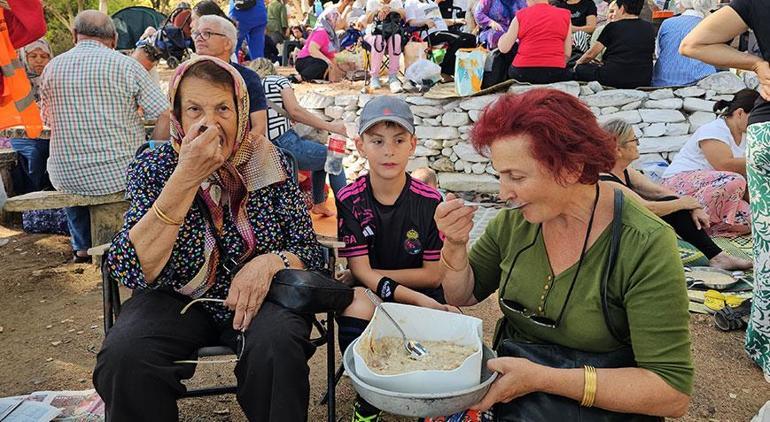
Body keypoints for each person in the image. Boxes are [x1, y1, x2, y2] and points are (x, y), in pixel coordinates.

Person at [435, 89, 692, 420]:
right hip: (519, 401)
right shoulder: (516, 221)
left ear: (571, 168)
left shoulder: (644, 243)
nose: (503, 193)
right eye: (500, 175)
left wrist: (544, 380)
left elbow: (671, 393)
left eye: (516, 176)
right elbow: (462, 293)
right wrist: (455, 245)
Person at [92, 56, 324, 422]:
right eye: (195, 109)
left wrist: (270, 263)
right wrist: (185, 176)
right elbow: (130, 268)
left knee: (278, 346)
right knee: (125, 356)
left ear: (241, 112)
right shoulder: (156, 168)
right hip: (173, 296)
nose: (209, 123)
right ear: (179, 117)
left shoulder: (271, 161)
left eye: (222, 109)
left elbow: (309, 251)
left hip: (261, 297)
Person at [335, 96, 457, 422]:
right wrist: (372, 278)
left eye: (398, 140)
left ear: (412, 144)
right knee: (353, 303)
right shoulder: (350, 199)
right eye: (377, 141)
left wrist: (371, 275)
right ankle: (368, 398)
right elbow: (361, 271)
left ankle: (428, 395)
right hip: (381, 295)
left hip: (421, 295)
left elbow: (433, 275)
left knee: (450, 316)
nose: (388, 150)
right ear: (361, 146)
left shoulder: (430, 201)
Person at [679, 0, 770, 385]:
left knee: (765, 244)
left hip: (768, 134)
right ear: (736, 114)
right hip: (692, 185)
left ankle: (764, 341)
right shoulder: (712, 133)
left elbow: (695, 43)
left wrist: (758, 64)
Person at [39, 10, 171, 263]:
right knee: (131, 173)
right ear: (113, 38)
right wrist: (153, 151)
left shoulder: (52, 67)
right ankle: (123, 242)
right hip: (119, 174)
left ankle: (81, 247)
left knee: (71, 175)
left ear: (75, 35)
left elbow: (47, 121)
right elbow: (165, 113)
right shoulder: (127, 65)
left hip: (67, 175)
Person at [600, 119, 752, 270]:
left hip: (634, 221)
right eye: (634, 140)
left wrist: (694, 206)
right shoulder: (605, 180)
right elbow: (646, 208)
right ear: (618, 150)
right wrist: (685, 203)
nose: (638, 144)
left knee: (674, 202)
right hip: (614, 235)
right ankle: (717, 257)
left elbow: (659, 191)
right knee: (677, 206)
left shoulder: (625, 171)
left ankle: (716, 255)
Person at [248, 58, 349, 217]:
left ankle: (319, 204)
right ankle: (348, 213)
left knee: (322, 158)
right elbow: (295, 111)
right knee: (333, 157)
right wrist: (332, 127)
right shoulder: (279, 81)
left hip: (261, 147)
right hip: (284, 143)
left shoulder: (249, 86)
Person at [661, 89, 759, 237]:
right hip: (679, 184)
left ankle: (709, 228)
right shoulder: (714, 129)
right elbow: (724, 165)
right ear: (740, 113)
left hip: (717, 190)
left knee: (754, 221)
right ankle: (691, 225)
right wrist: (761, 159)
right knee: (736, 180)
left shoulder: (746, 135)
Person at [193, 15, 268, 139]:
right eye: (197, 33)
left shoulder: (247, 78)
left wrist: (235, 153)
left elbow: (259, 127)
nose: (198, 38)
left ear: (227, 43)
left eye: (207, 33)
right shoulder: (186, 76)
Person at [573, 0, 655, 88]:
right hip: (643, 79)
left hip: (613, 78)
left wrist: (578, 64)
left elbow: (591, 54)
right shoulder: (649, 27)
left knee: (581, 68)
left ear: (622, 8)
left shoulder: (612, 26)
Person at [10, 39, 53, 195]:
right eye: (33, 56)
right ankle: (34, 195)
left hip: (50, 133)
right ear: (24, 57)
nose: (39, 60)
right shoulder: (15, 81)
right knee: (34, 154)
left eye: (44, 56)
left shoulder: (54, 78)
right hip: (22, 133)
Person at [497, 0, 572, 84]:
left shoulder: (521, 15)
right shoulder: (565, 15)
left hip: (522, 72)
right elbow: (567, 53)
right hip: (556, 72)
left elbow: (504, 48)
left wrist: (502, 37)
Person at [650, 0, 717, 87]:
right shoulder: (711, 25)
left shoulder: (667, 23)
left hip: (664, 83)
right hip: (700, 85)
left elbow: (658, 53)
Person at [405, 0, 477, 76]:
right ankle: (444, 70)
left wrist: (455, 21)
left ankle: (460, 70)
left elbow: (440, 20)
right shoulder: (410, 3)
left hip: (444, 31)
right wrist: (424, 22)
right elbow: (411, 22)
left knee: (471, 38)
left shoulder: (431, 2)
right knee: (459, 40)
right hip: (429, 33)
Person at [364, 0, 407, 92]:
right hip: (373, 34)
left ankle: (393, 77)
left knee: (396, 38)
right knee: (379, 40)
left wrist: (390, 9)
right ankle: (374, 77)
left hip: (392, 32)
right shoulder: (372, 2)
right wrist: (377, 10)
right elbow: (367, 20)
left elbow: (404, 16)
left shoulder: (396, 1)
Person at [294, 9, 344, 82]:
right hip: (305, 60)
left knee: (332, 67)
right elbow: (312, 49)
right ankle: (299, 78)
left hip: (315, 61)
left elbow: (332, 57)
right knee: (323, 64)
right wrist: (327, 61)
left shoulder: (331, 36)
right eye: (335, 19)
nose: (336, 22)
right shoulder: (321, 31)